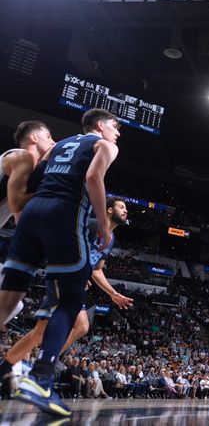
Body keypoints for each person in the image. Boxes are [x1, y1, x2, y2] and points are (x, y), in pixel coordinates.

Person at [12, 109, 120, 417]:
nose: (118, 133)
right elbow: (92, 177)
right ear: (101, 126)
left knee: (21, 296)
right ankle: (40, 377)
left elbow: (35, 176)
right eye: (116, 126)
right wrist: (102, 221)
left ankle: (33, 375)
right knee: (72, 303)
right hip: (64, 213)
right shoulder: (105, 145)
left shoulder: (58, 144)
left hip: (34, 212)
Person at [0, 198, 134, 380]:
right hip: (65, 277)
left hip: (73, 280)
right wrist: (78, 269)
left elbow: (97, 269)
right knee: (81, 326)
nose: (125, 211)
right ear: (109, 210)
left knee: (39, 332)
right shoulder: (93, 226)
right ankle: (40, 371)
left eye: (126, 208)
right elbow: (67, 244)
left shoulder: (111, 240)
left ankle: (8, 369)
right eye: (121, 207)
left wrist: (113, 293)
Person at [0, 121, 55, 326]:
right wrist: (51, 190)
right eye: (48, 136)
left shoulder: (28, 168)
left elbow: (20, 218)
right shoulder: (22, 156)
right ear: (34, 138)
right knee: (12, 303)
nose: (53, 141)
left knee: (15, 305)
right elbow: (16, 204)